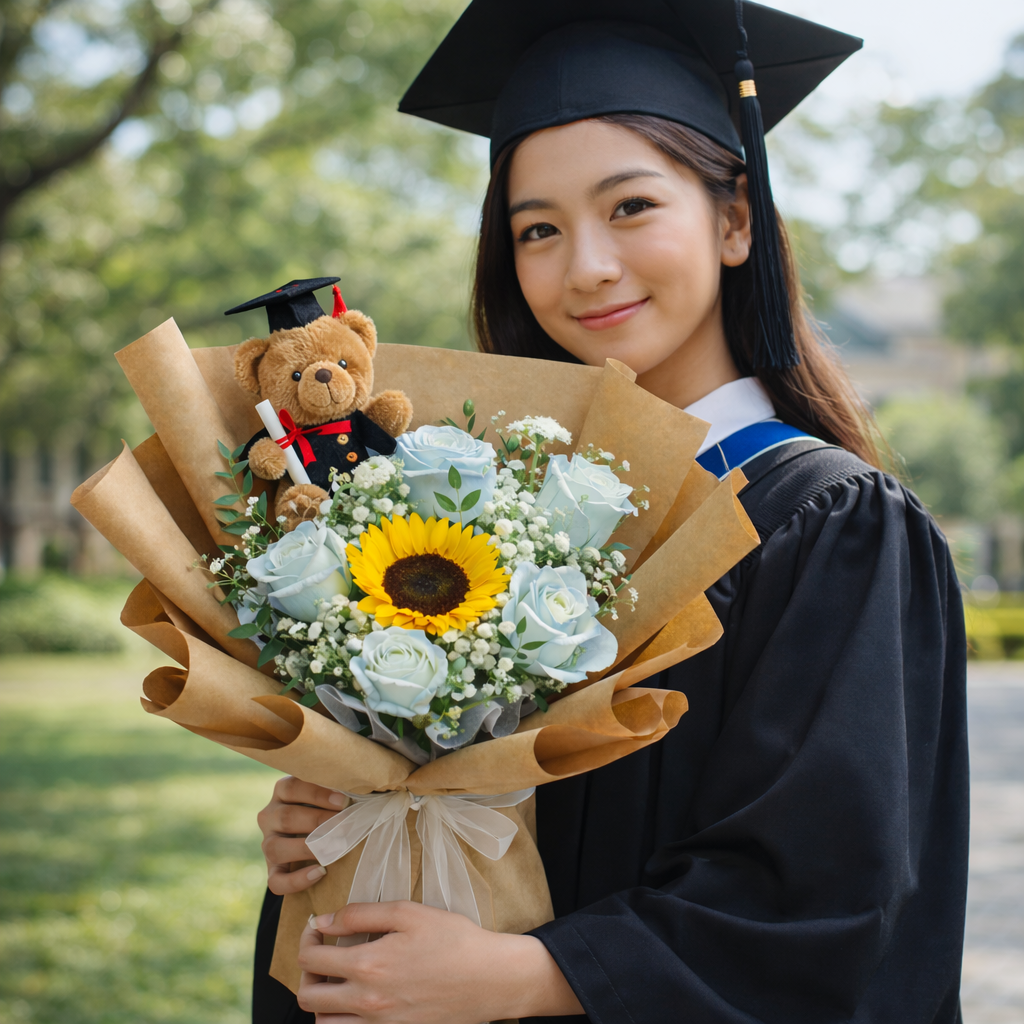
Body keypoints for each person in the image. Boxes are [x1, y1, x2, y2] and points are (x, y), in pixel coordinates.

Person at [252, 1, 969, 1021]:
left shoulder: (830, 524)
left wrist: (531, 975)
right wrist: (341, 816)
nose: (583, 265)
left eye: (629, 206)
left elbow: (827, 889)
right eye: (536, 228)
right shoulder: (485, 520)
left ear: (733, 220)